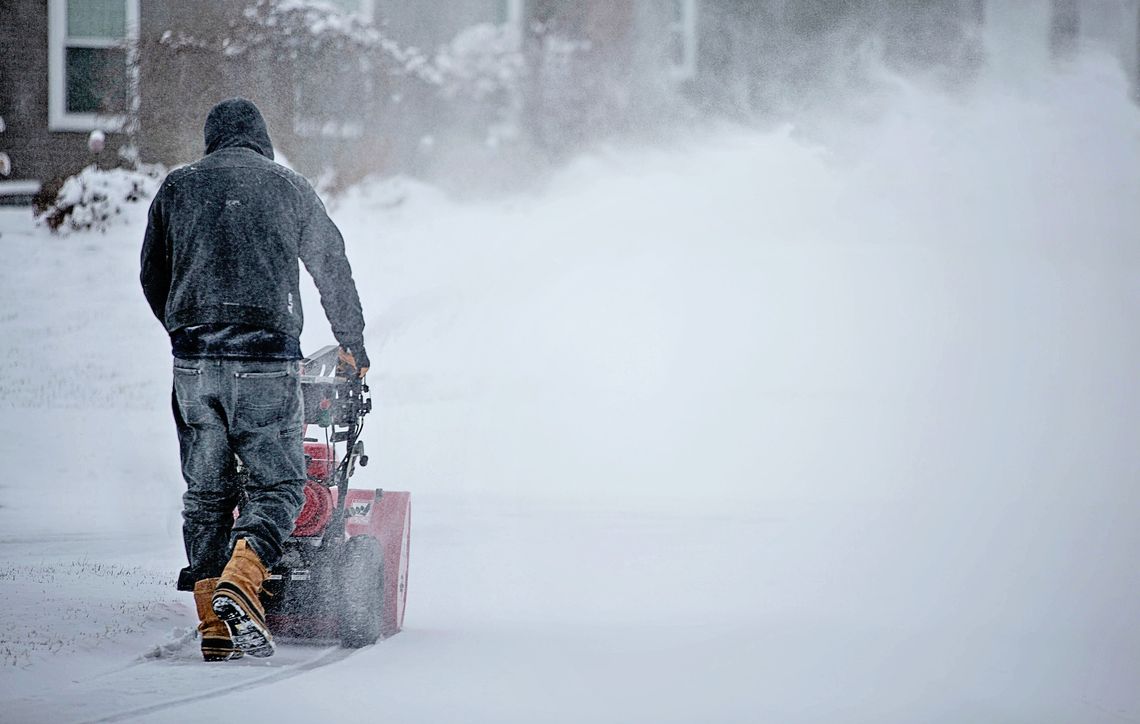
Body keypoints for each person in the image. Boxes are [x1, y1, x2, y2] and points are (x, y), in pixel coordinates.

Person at [140, 98, 368, 661]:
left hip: (194, 361)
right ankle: (242, 583)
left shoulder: (177, 187)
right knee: (278, 487)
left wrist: (184, 327)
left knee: (207, 494)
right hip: (266, 360)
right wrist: (352, 344)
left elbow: (152, 273)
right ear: (261, 141)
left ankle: (212, 623)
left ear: (211, 140)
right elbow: (330, 262)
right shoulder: (288, 187)